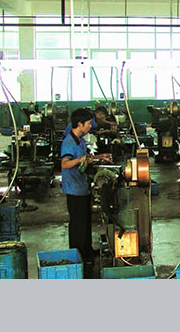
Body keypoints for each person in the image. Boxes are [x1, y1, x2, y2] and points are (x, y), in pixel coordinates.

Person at [61, 109, 111, 266]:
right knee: (78, 224)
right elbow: (65, 163)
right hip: (74, 190)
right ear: (79, 124)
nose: (91, 126)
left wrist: (99, 157)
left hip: (82, 186)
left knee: (86, 221)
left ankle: (87, 250)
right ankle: (79, 255)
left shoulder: (80, 140)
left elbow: (86, 158)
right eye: (88, 123)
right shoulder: (69, 142)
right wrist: (80, 160)